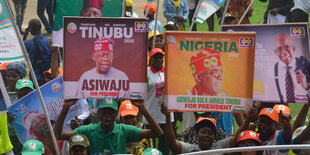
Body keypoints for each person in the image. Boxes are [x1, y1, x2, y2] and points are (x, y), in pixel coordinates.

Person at [54, 99, 163, 154]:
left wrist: (142, 108)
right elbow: (58, 135)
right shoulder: (89, 130)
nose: (107, 115)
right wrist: (65, 107)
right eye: (104, 111)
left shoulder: (124, 130)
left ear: (116, 114)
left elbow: (157, 133)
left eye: (110, 112)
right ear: (99, 112)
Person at [184, 47, 244, 136]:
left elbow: (241, 122)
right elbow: (200, 115)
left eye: (221, 72)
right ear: (199, 77)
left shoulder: (227, 95)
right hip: (201, 145)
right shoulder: (189, 97)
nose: (220, 77)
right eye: (214, 72)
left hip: (226, 145)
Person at [144, 48, 173, 155]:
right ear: (151, 59)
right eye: (155, 57)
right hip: (150, 115)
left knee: (165, 145)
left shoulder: (169, 71)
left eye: (160, 57)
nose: (158, 59)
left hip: (166, 115)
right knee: (149, 146)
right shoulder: (145, 73)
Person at [272, 34, 310, 103]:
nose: (283, 52)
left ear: (294, 48)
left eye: (287, 47)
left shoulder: (305, 65)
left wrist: (306, 86)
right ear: (276, 52)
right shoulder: (271, 71)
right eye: (279, 49)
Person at [24, 19, 52, 86]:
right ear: (40, 28)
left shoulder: (28, 43)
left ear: (30, 29)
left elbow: (21, 47)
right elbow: (57, 61)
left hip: (35, 80)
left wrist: (25, 35)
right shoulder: (50, 43)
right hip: (48, 79)